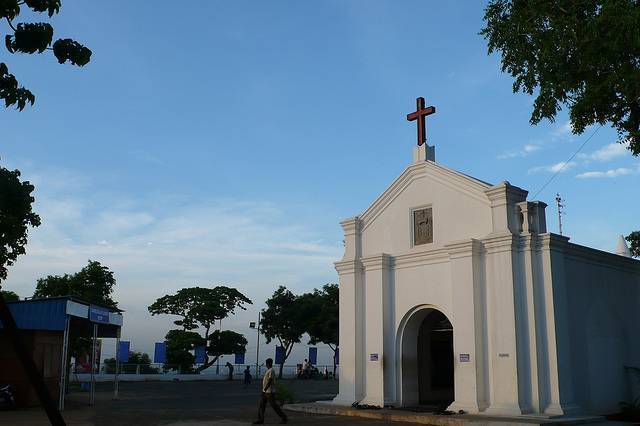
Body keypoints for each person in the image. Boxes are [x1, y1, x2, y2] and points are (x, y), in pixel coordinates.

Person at [253, 358, 288, 424]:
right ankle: (260, 419)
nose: (266, 365)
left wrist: (264, 390)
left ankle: (284, 418)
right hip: (266, 392)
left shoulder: (271, 371)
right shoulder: (269, 370)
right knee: (262, 405)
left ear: (268, 364)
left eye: (266, 364)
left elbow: (270, 381)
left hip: (269, 392)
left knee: (274, 406)